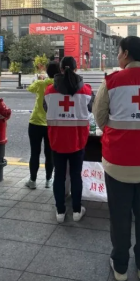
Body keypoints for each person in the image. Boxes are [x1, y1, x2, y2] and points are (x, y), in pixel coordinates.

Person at [94, 36, 140, 281]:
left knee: (119, 216)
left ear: (125, 54)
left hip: (118, 162)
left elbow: (100, 117)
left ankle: (120, 267)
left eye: (119, 52)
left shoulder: (112, 81)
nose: (118, 56)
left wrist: (117, 131)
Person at [44, 57, 93, 222]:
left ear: (60, 69)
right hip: (78, 141)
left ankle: (60, 211)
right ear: (76, 68)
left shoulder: (49, 91)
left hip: (57, 141)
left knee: (59, 175)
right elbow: (91, 109)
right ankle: (77, 211)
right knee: (76, 175)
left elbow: (46, 109)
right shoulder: (86, 91)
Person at [25, 61, 59, 189]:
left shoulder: (41, 83)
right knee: (49, 154)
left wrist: (40, 78)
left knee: (35, 152)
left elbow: (30, 88)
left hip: (35, 122)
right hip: (51, 123)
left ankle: (33, 180)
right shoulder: (58, 85)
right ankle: (48, 180)